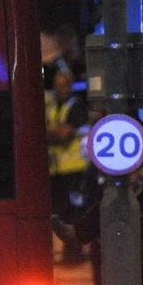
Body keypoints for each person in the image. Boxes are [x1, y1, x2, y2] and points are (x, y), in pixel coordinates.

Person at [45, 68, 88, 262]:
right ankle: (68, 251)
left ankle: (78, 251)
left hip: (75, 169)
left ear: (70, 86)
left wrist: (49, 133)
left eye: (63, 85)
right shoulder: (53, 106)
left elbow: (64, 133)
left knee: (75, 213)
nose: (59, 89)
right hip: (57, 170)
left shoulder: (76, 106)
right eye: (57, 85)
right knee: (58, 213)